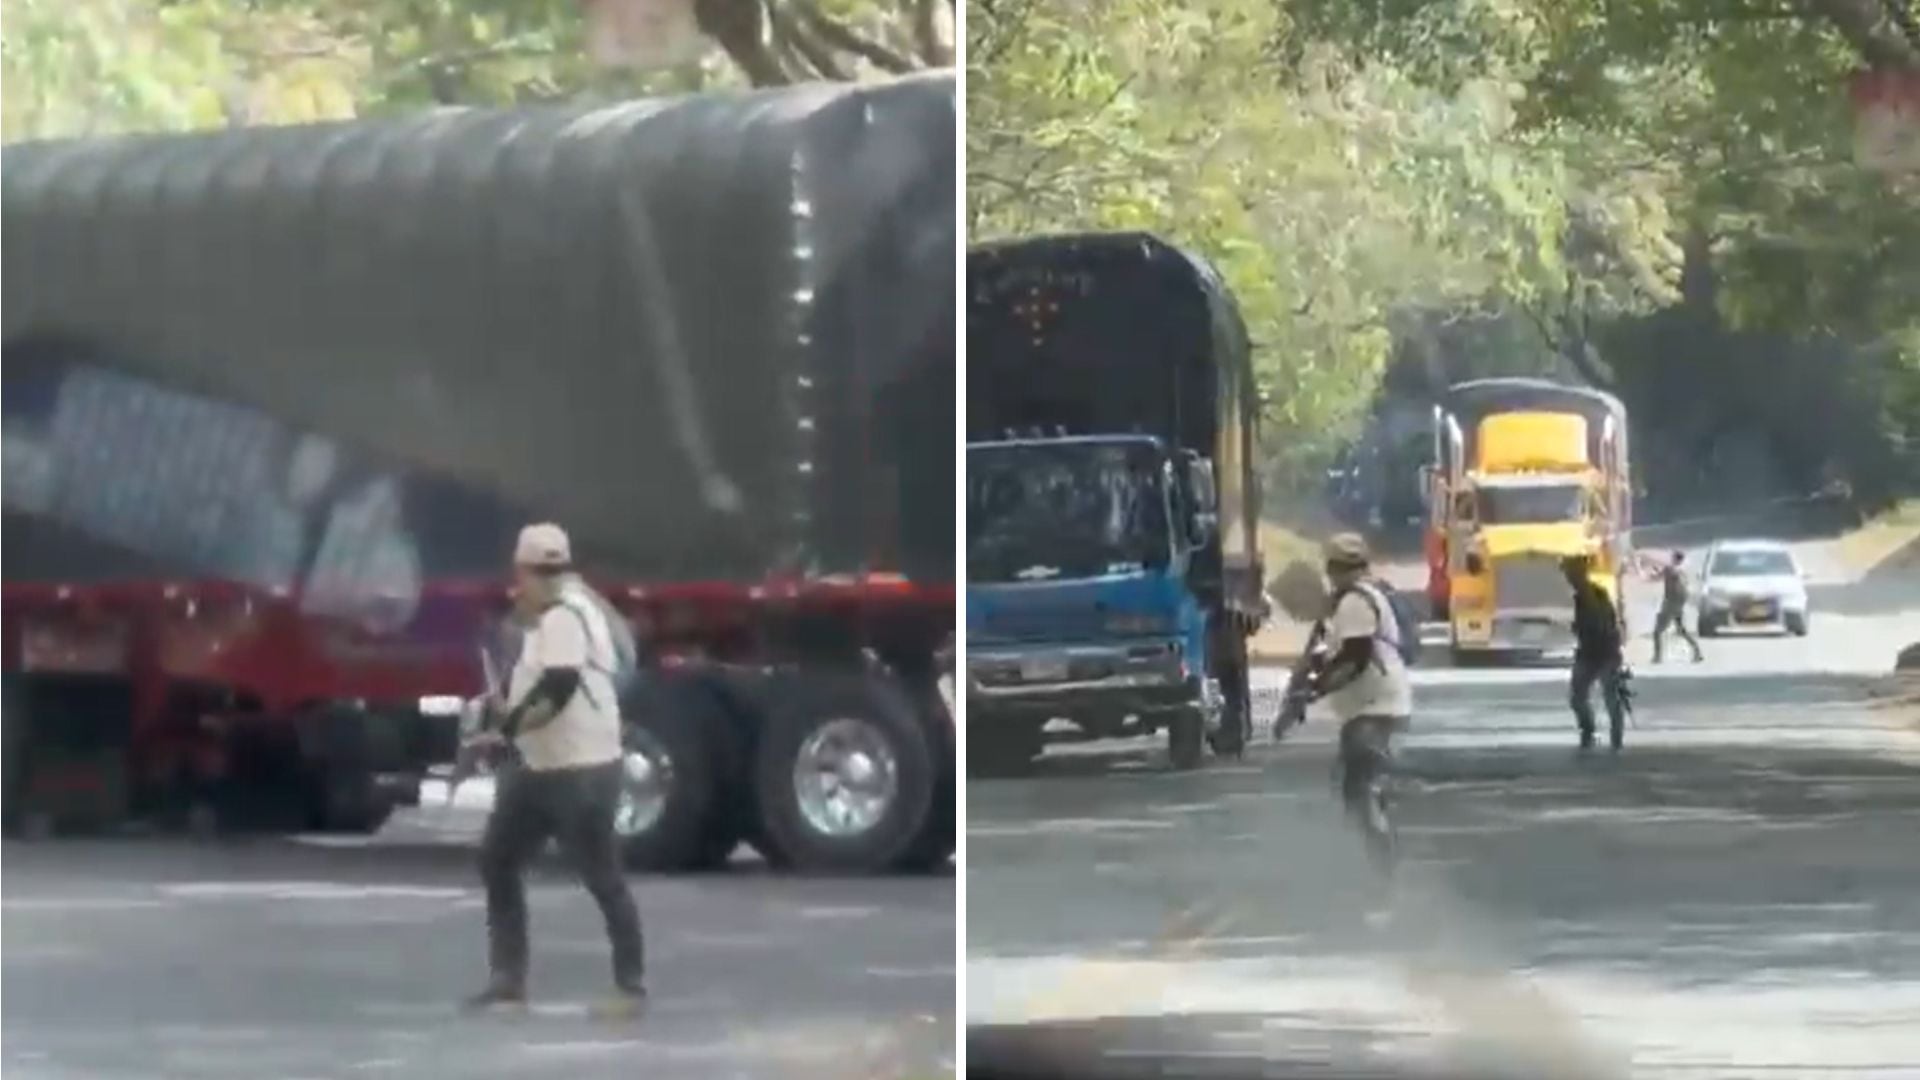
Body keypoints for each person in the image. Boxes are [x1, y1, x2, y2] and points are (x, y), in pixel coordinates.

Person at [464, 522, 646, 1012]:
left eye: (520, 576)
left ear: (525, 570)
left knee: (601, 875)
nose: (517, 586)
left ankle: (629, 987)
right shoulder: (573, 605)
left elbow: (558, 691)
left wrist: (506, 728)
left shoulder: (565, 615)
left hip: (578, 770)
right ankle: (509, 978)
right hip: (543, 767)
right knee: (499, 858)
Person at [1279, 534, 1413, 873]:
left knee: (1359, 791)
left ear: (1334, 567)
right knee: (1356, 787)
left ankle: (1383, 870)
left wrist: (1315, 689)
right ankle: (1375, 860)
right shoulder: (1359, 597)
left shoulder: (1355, 602)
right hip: (1378, 706)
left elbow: (1355, 658)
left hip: (1374, 708)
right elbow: (1332, 653)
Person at [1563, 553, 1629, 751]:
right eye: (1569, 574)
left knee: (1611, 696)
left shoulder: (1596, 594)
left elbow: (1607, 622)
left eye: (1571, 573)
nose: (1569, 578)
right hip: (1589, 652)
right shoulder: (1579, 597)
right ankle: (1588, 731)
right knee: (1577, 697)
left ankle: (1616, 738)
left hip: (1605, 651)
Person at [1650, 549, 1704, 664]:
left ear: (1674, 558)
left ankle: (1657, 657)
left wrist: (1638, 566)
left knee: (1657, 631)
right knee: (1681, 631)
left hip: (1670, 604)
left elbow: (1654, 578)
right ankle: (1697, 652)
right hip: (1678, 605)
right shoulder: (1682, 571)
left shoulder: (1670, 570)